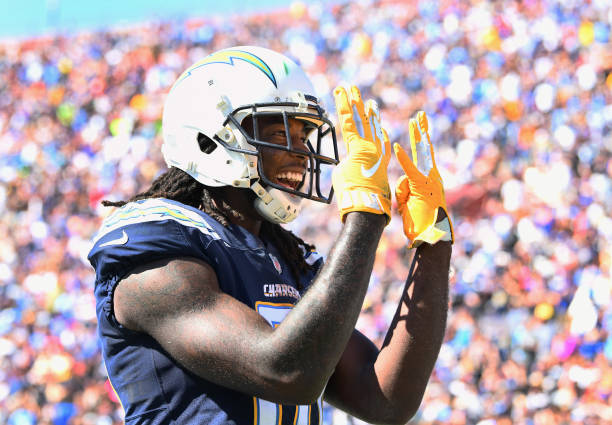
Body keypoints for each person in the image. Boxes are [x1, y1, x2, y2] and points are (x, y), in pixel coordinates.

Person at [88, 45, 454, 425]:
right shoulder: (160, 246)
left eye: (305, 135)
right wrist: (365, 216)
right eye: (281, 132)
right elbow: (285, 372)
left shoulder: (284, 256)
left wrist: (434, 245)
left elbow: (386, 399)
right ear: (209, 138)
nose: (302, 153)